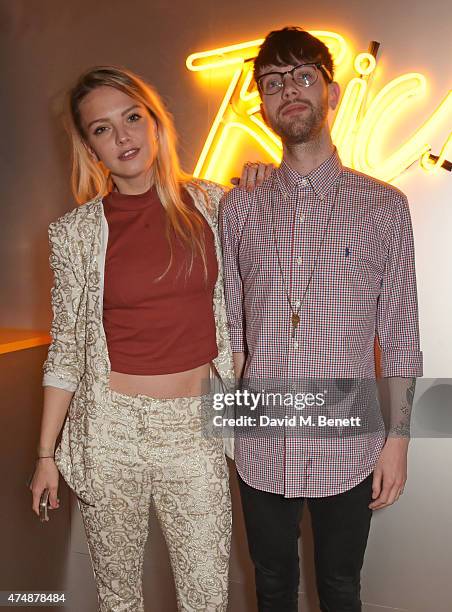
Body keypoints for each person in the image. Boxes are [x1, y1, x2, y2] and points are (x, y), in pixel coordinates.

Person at [28, 65, 269, 612]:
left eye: (132, 118)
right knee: (119, 598)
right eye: (102, 129)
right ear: (90, 148)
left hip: (197, 427)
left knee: (207, 596)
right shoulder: (74, 233)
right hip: (110, 430)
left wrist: (264, 179)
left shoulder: (214, 206)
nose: (123, 137)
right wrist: (46, 455)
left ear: (156, 122)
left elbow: (260, 292)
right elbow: (66, 347)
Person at [220, 27, 423, 612]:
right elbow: (232, 327)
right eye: (274, 81)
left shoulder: (384, 206)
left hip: (350, 441)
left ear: (331, 94)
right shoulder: (239, 205)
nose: (290, 90)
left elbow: (402, 338)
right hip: (260, 442)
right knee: (272, 589)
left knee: (340, 588)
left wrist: (399, 441)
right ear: (262, 102)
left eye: (304, 76)